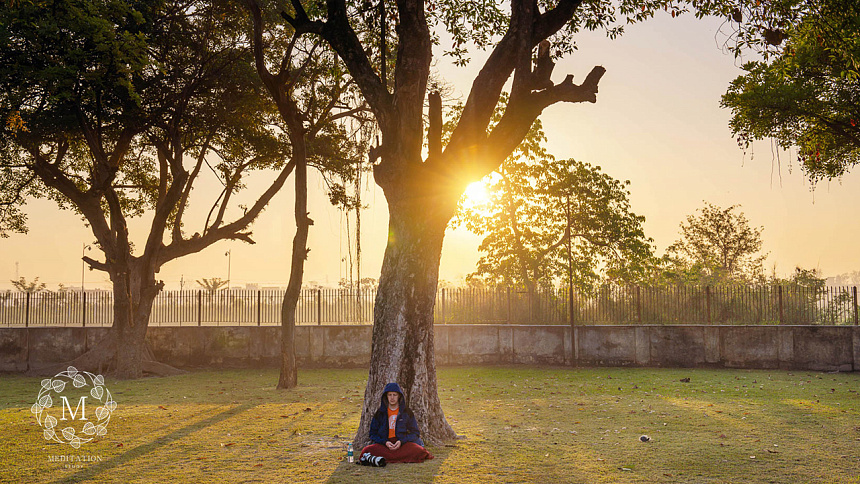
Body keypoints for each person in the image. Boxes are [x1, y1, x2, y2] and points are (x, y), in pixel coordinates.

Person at [358, 382, 434, 465]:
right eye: (389, 395)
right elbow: (373, 433)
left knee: (420, 451)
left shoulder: (406, 412)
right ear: (386, 397)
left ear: (399, 396)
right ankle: (398, 457)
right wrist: (385, 442)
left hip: (402, 445)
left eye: (395, 395)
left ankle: (385, 458)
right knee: (366, 450)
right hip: (385, 445)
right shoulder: (380, 413)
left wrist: (401, 441)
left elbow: (415, 433)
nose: (392, 398)